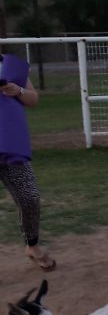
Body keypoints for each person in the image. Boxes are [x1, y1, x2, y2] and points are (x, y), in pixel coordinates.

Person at [0, 52, 57, 271]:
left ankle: (32, 245)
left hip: (10, 145)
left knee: (30, 197)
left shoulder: (11, 64)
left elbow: (33, 99)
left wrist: (18, 90)